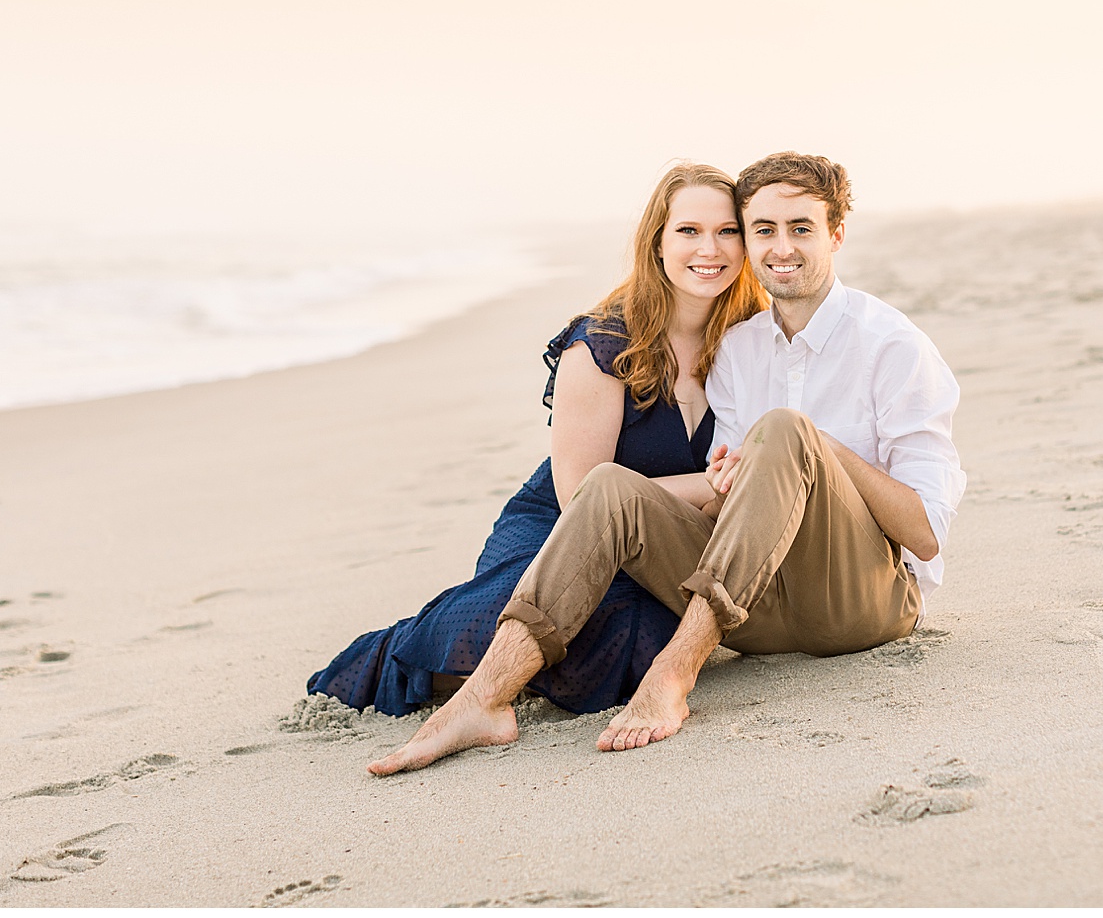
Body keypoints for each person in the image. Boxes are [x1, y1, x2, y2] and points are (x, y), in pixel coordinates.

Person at [368, 151, 964, 773]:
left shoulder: (893, 347)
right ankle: (482, 701)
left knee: (786, 431)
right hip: (753, 609)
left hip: (862, 604)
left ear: (836, 233)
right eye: (763, 229)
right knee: (607, 487)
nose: (780, 247)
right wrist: (745, 477)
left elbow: (923, 534)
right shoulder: (738, 348)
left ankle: (673, 677)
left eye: (801, 228)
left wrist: (819, 451)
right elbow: (724, 492)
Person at [307, 162, 767, 716]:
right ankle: (399, 664)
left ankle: (530, 677)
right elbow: (581, 499)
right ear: (657, 243)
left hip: (656, 549)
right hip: (556, 529)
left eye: (727, 231)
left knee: (641, 639)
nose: (709, 249)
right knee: (534, 621)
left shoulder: (751, 341)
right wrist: (714, 484)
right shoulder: (601, 344)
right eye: (688, 231)